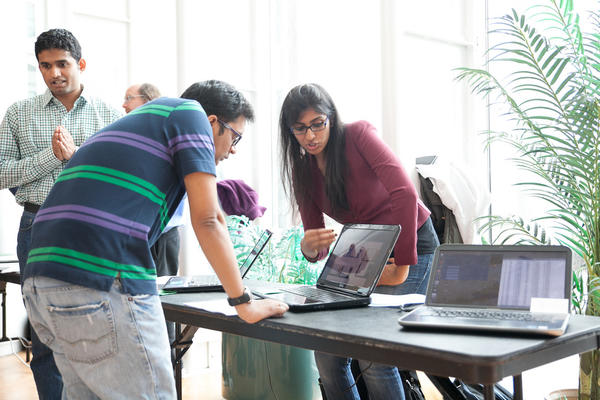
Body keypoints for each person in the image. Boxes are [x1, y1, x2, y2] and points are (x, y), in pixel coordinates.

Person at [21, 79, 288, 398]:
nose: (233, 150)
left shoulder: (138, 124)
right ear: (213, 122)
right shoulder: (191, 114)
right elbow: (208, 219)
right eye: (236, 136)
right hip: (99, 279)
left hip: (42, 282)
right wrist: (244, 303)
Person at [278, 83, 439, 400]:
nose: (310, 136)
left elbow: (405, 194)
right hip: (369, 252)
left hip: (412, 242)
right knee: (327, 351)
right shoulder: (302, 169)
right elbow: (319, 243)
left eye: (317, 124)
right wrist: (308, 247)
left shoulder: (359, 135)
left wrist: (404, 264)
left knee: (373, 355)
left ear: (331, 119)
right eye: (299, 129)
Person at [0, 28, 122, 399]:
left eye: (62, 64)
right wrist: (50, 157)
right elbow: (2, 173)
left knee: (98, 327)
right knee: (46, 332)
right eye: (45, 65)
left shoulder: (110, 115)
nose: (54, 73)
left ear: (80, 64)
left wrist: (76, 159)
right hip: (37, 226)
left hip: (92, 229)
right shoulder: (19, 113)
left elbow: (118, 179)